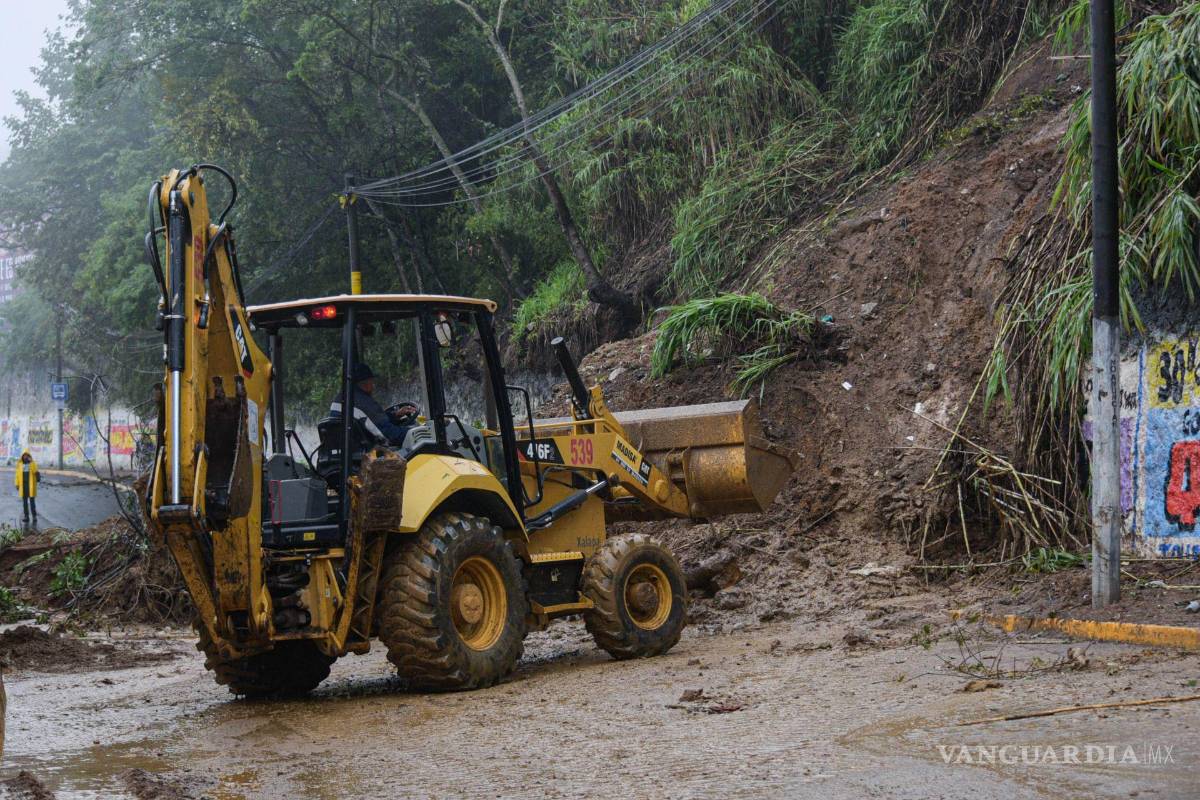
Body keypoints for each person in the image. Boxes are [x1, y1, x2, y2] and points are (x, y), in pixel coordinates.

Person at [329, 363, 415, 446]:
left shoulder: (341, 398)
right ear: (365, 384)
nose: (373, 386)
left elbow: (371, 423)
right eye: (372, 382)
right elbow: (388, 434)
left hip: (352, 449)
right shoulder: (364, 402)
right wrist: (414, 432)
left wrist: (396, 414)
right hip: (367, 455)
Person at [14, 450, 38, 526]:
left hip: (31, 486)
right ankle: (26, 516)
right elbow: (17, 475)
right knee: (24, 503)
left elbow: (35, 471)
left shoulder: (32, 464)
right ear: (22, 456)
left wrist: (32, 462)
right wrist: (17, 484)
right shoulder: (19, 464)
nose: (26, 457)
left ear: (29, 456)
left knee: (32, 502)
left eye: (27, 455)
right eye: (24, 455)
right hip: (23, 486)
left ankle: (34, 516)